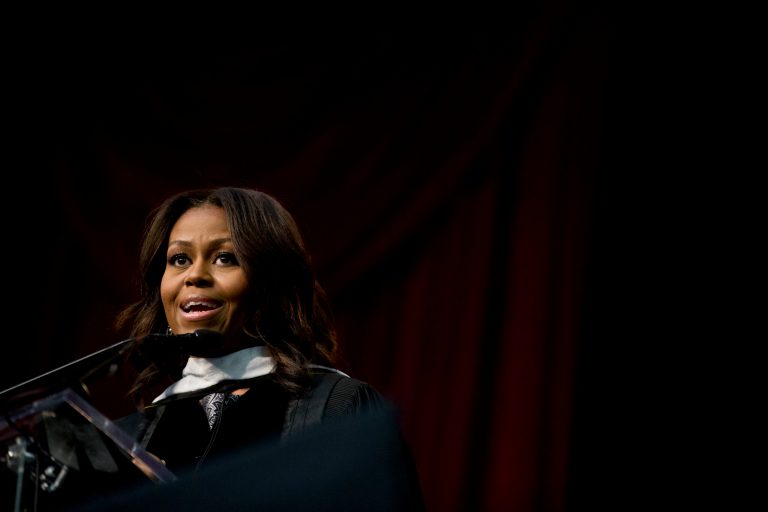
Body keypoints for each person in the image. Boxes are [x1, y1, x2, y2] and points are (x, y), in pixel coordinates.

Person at [105, 186, 424, 510]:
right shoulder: (133, 437)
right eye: (179, 259)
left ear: (270, 282)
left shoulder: (338, 409)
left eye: (225, 258)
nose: (195, 275)